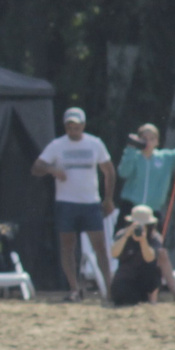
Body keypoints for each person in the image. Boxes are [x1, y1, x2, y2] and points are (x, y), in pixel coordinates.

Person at [35, 106, 116, 301]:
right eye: (70, 126)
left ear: (83, 126)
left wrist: (108, 198)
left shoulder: (95, 144)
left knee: (100, 246)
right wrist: (53, 170)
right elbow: (37, 167)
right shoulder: (57, 145)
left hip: (90, 202)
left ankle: (110, 287)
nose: (74, 130)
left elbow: (109, 171)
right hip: (66, 202)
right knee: (68, 246)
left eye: (77, 126)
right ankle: (74, 288)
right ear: (65, 127)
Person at [118, 113, 175, 222]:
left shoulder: (165, 158)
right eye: (144, 138)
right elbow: (123, 173)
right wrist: (130, 149)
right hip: (130, 208)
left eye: (152, 138)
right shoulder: (134, 156)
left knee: (155, 239)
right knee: (122, 238)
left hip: (152, 210)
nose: (148, 142)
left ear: (157, 141)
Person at [107, 206, 169, 307]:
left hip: (146, 277)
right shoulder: (122, 234)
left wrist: (143, 240)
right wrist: (126, 235)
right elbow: (114, 253)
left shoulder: (155, 237)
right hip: (127, 276)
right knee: (120, 293)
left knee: (153, 273)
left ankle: (152, 299)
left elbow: (149, 258)